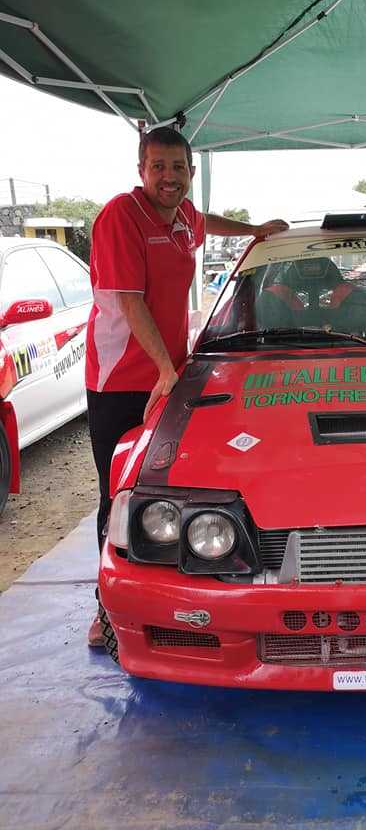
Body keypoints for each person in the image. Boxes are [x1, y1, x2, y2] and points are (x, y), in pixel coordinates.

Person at [85, 126, 288, 645]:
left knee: (171, 487)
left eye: (178, 167)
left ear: (192, 173)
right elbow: (130, 302)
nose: (168, 177)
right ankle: (106, 609)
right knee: (121, 491)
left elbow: (205, 222)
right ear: (141, 170)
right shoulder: (122, 216)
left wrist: (253, 230)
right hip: (123, 379)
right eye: (158, 166)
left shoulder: (181, 217)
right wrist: (165, 370)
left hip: (169, 374)